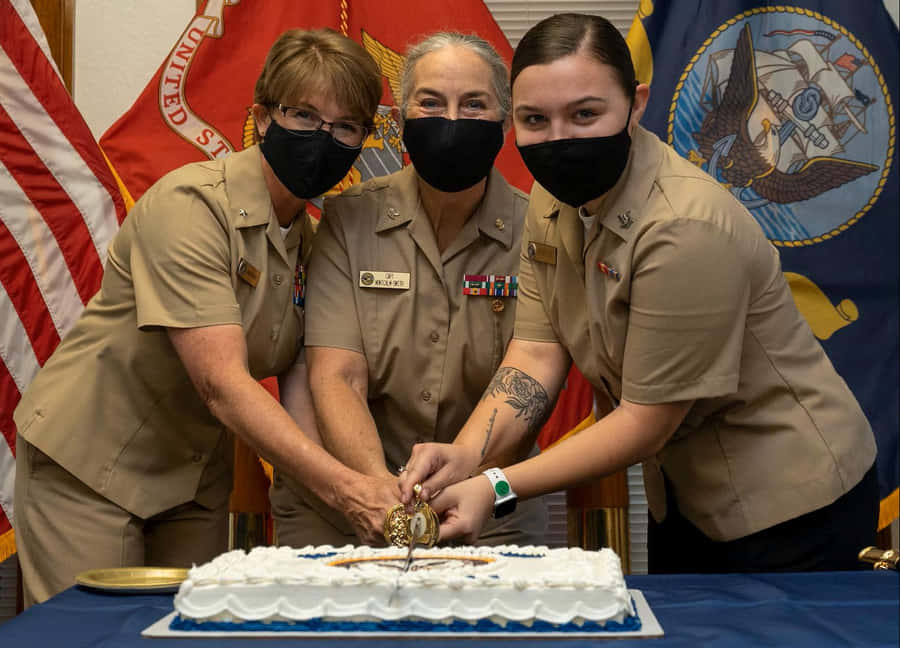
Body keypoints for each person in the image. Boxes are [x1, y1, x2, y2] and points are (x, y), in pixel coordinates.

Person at [399, 13, 878, 573]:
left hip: (793, 506)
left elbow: (645, 421)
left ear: (636, 103)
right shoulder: (551, 203)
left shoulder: (683, 227)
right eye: (535, 119)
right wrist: (467, 453)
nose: (558, 139)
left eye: (584, 114)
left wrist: (495, 485)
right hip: (686, 497)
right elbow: (534, 353)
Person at [13, 28, 394, 607]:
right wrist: (347, 491)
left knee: (190, 630)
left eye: (346, 127)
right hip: (91, 466)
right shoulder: (190, 206)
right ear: (262, 118)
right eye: (304, 115)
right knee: (94, 636)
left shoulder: (311, 239)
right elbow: (223, 385)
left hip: (192, 476)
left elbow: (303, 391)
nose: (324, 137)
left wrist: (371, 494)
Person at [270, 32, 548, 548]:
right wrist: (378, 494)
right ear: (399, 123)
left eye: (474, 104)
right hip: (346, 500)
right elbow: (338, 376)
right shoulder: (347, 219)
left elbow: (530, 371)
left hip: (488, 501)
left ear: (505, 123)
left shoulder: (540, 232)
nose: (451, 120)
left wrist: (464, 481)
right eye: (431, 103)